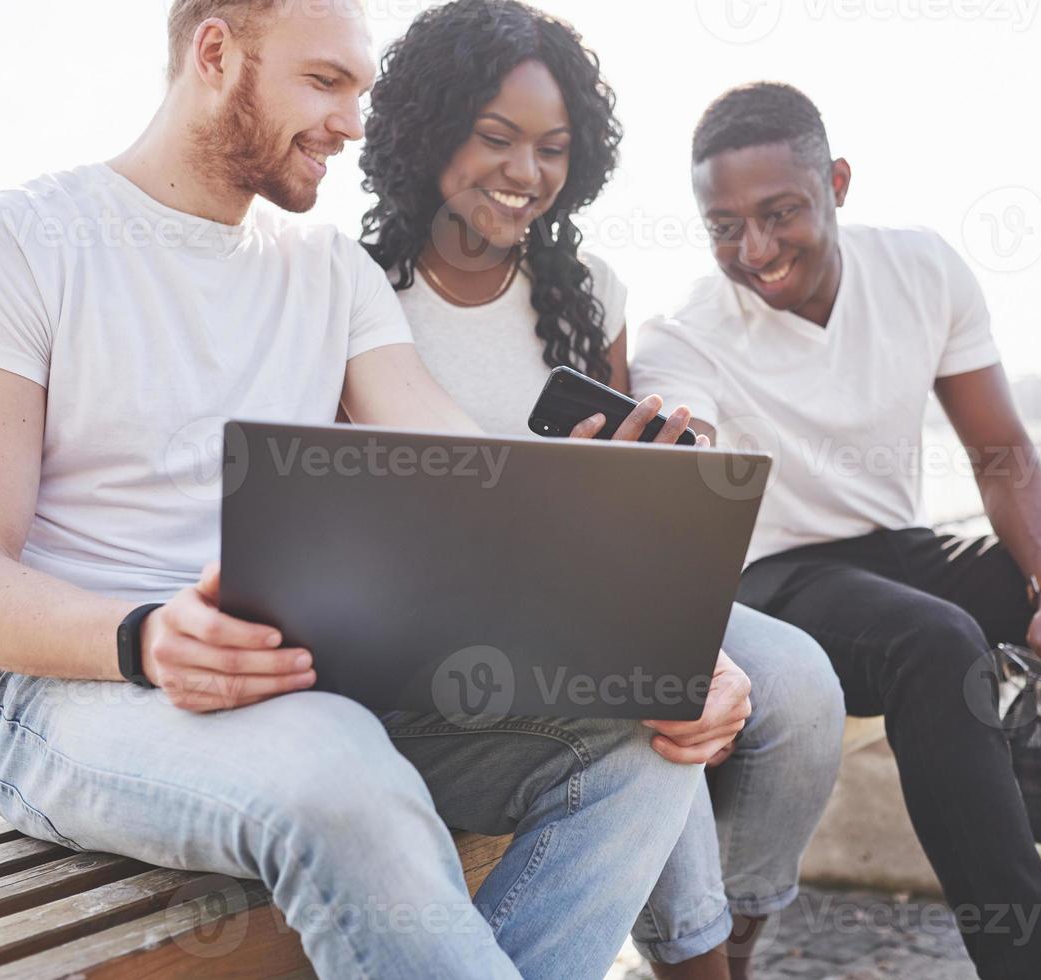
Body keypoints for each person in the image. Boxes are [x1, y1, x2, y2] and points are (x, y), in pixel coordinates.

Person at [0, 2, 726, 976]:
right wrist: (148, 636)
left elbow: (471, 479)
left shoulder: (329, 270)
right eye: (324, 82)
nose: (351, 122)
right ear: (215, 54)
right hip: (76, 693)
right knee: (334, 763)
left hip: (300, 681)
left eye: (359, 91)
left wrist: (657, 648)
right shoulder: (8, 244)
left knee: (643, 741)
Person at [629, 80, 1041, 980]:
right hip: (777, 582)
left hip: (900, 549)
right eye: (724, 227)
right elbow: (673, 459)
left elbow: (1001, 451)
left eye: (780, 213)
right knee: (937, 643)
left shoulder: (921, 269)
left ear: (838, 184)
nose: (757, 249)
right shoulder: (682, 337)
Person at [358, 5, 845, 978]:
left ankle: (728, 933)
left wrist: (650, 468)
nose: (525, 172)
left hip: (585, 586)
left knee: (796, 684)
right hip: (434, 618)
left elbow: (624, 505)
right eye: (495, 137)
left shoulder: (585, 283)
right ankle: (693, 960)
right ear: (426, 130)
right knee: (649, 705)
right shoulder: (356, 286)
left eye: (551, 147)